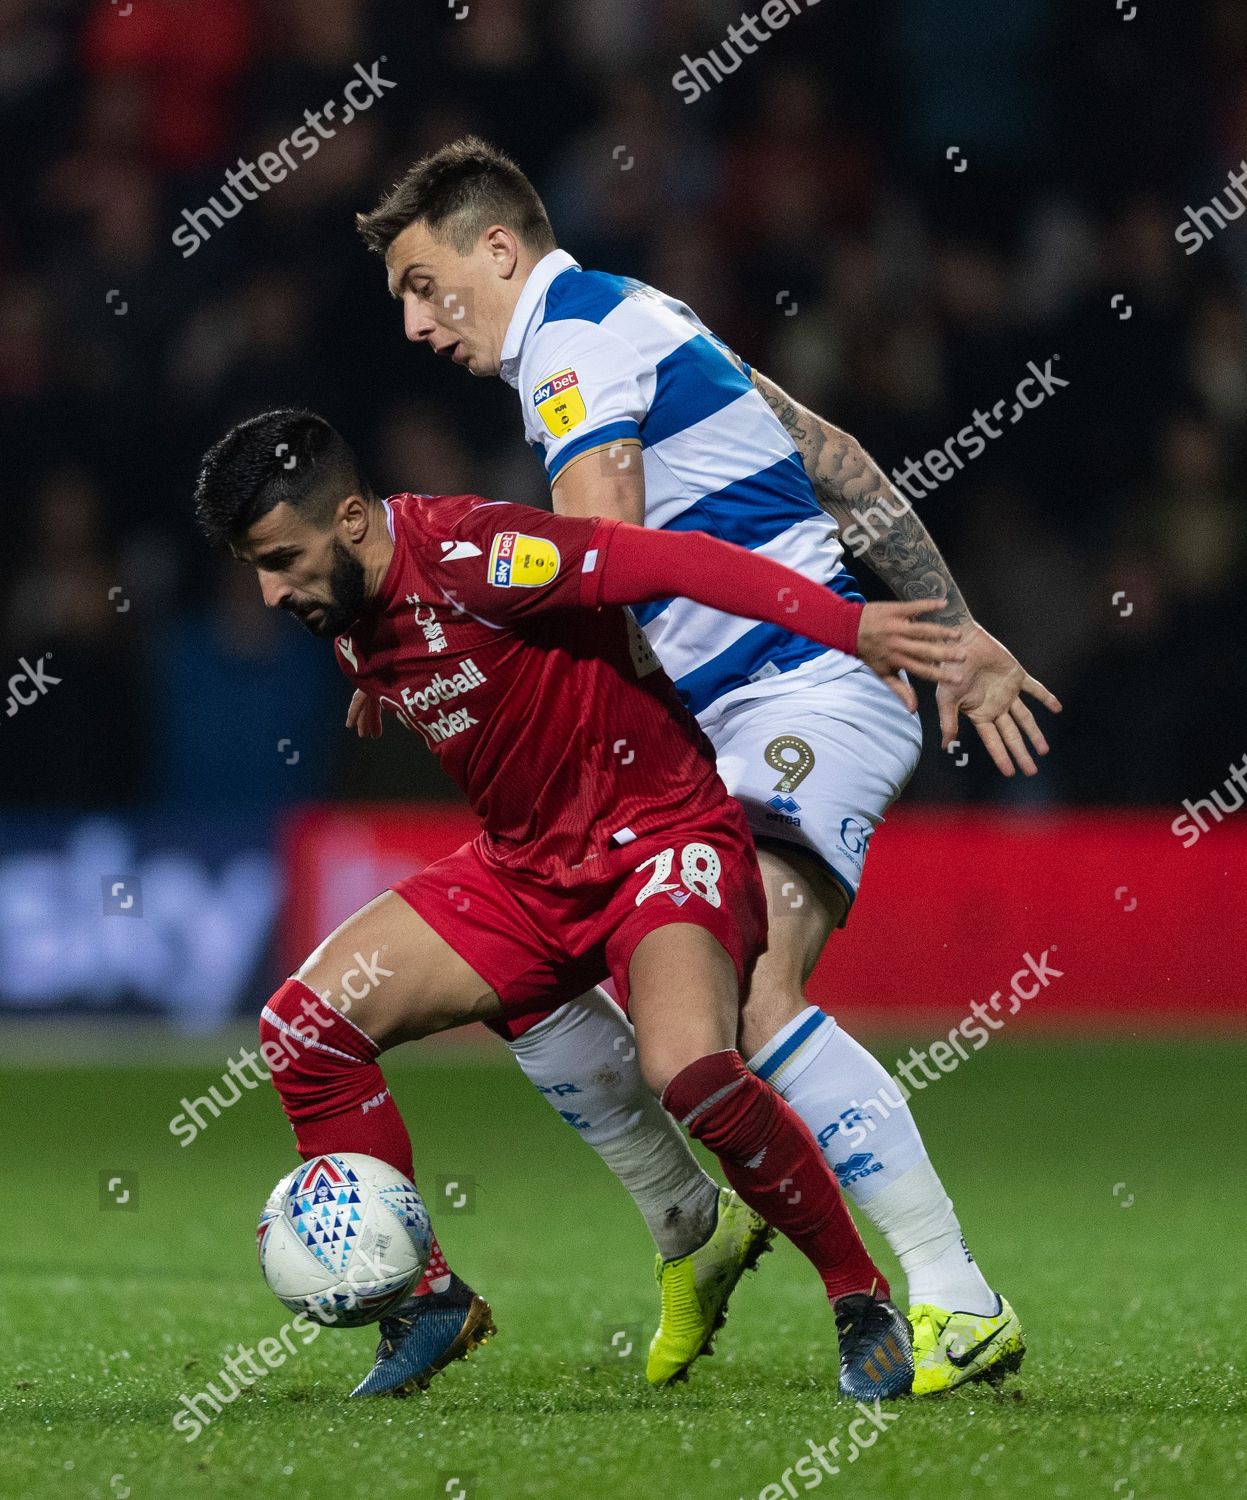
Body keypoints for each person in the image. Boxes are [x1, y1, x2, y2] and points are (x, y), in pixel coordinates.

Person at [353, 138, 1058, 1394]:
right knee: (582, 958)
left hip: (806, 690)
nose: (414, 323)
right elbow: (833, 453)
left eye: (423, 284)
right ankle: (697, 1215)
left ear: (497, 250)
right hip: (740, 712)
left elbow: (600, 564)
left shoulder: (569, 355)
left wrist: (436, 649)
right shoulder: (634, 312)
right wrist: (954, 628)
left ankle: (955, 1297)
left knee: (749, 992)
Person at [193, 407, 966, 1400]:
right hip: (527, 873)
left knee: (689, 1070)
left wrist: (847, 621)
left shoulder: (479, 552)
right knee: (302, 1030)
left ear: (350, 520)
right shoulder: (347, 611)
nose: (268, 590)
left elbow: (677, 562)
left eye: (281, 559)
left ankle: (859, 1299)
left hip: (661, 838)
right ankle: (425, 1300)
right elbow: (429, 656)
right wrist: (378, 679)